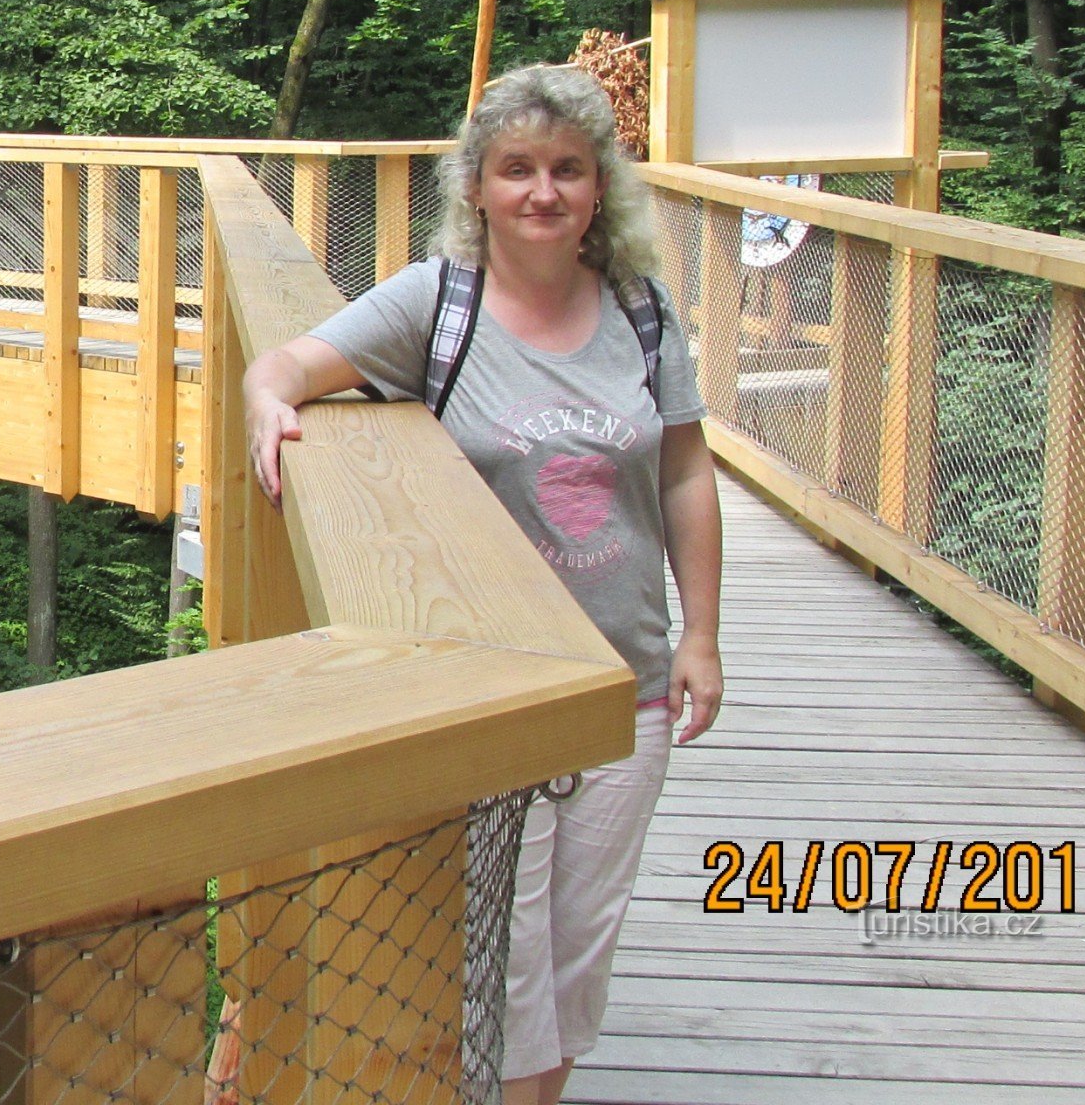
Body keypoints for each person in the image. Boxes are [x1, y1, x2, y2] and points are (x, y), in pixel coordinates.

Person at [241, 64, 724, 1105]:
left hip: (628, 681)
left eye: (567, 169)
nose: (543, 192)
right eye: (517, 169)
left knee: (578, 953)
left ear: (599, 186)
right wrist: (268, 404)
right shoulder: (440, 303)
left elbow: (686, 472)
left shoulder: (641, 310)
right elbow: (286, 364)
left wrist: (701, 636)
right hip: (500, 685)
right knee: (507, 957)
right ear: (477, 186)